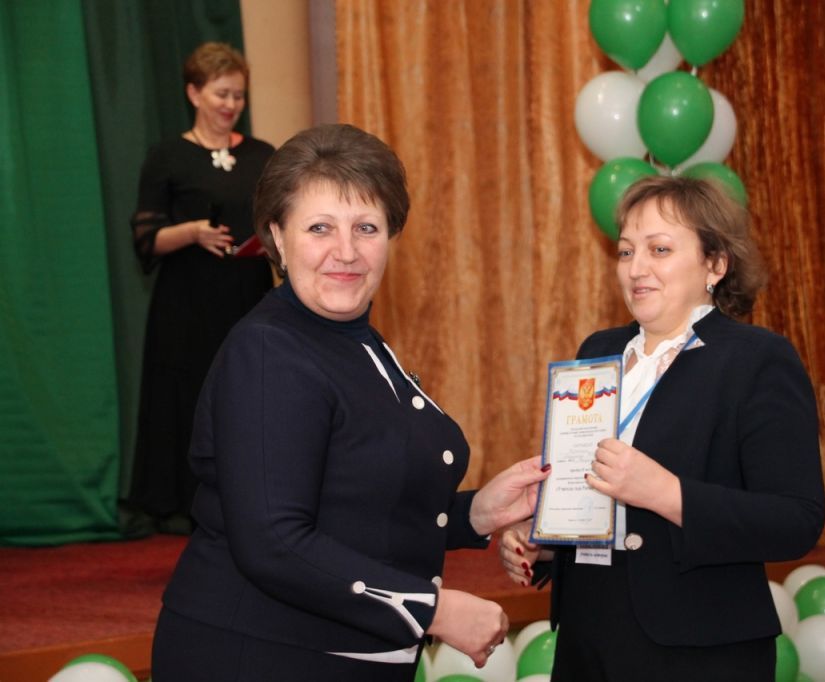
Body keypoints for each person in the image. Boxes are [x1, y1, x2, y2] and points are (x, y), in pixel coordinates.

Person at [150, 123, 551, 681]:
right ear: (278, 237)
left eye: (366, 227)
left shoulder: (356, 341)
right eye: (320, 227)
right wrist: (433, 610)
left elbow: (361, 509)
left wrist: (477, 513)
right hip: (258, 658)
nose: (346, 251)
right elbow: (274, 542)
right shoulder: (270, 350)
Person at [500, 176, 825, 681]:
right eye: (626, 251)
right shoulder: (597, 351)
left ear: (715, 264)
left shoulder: (757, 360)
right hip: (589, 637)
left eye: (660, 249)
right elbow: (591, 499)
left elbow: (795, 520)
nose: (636, 268)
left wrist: (667, 493)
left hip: (700, 649)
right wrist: (547, 543)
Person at [126, 42, 275, 531]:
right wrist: (192, 232)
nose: (231, 104)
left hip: (249, 299)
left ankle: (255, 500)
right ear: (193, 93)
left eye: (238, 95)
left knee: (249, 398)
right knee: (190, 399)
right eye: (221, 94)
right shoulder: (167, 156)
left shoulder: (262, 155)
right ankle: (188, 509)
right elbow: (146, 238)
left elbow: (283, 220)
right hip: (186, 305)